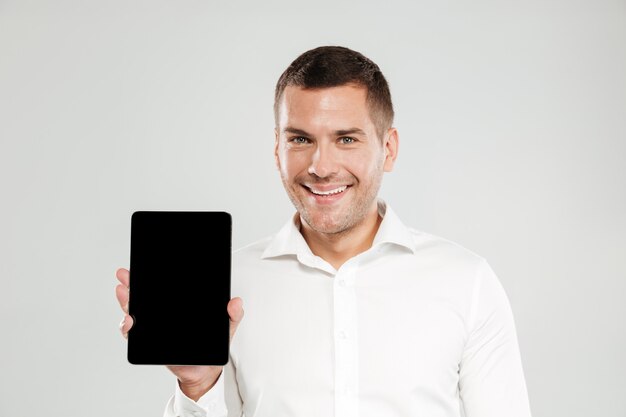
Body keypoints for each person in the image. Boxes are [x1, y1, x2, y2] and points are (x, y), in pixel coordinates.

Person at [115, 45, 532, 417]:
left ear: (388, 149)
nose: (321, 165)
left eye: (346, 139)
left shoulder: (466, 281)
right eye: (300, 139)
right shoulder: (226, 286)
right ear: (278, 149)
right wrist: (198, 384)